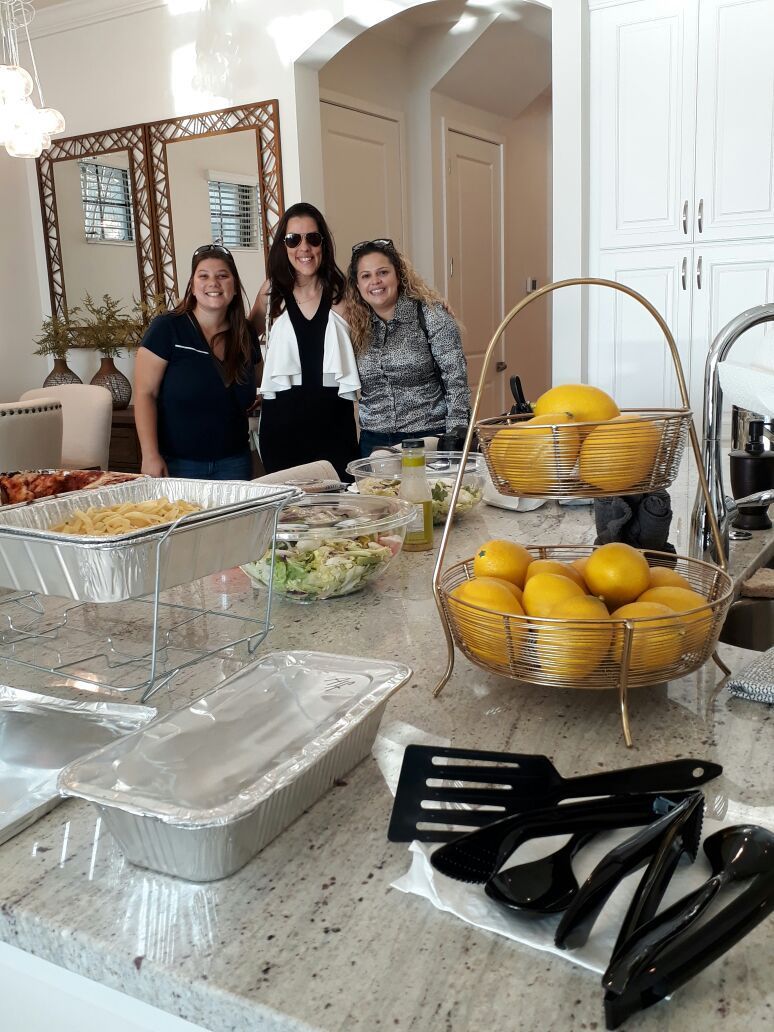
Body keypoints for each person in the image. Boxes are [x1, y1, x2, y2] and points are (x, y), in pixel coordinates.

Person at [250, 202, 359, 480]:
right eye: (293, 239)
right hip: (281, 433)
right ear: (283, 246)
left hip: (335, 432)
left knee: (340, 505)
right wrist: (258, 381)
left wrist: (433, 304)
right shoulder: (271, 293)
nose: (304, 248)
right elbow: (244, 338)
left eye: (312, 238)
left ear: (323, 243)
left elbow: (384, 316)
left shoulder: (344, 294)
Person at [135, 243, 260, 480]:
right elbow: (145, 394)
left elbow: (255, 384)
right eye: (204, 276)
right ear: (192, 286)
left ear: (234, 286)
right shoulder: (167, 328)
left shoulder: (245, 334)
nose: (213, 283)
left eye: (222, 276)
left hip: (235, 462)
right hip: (179, 463)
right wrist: (150, 455)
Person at [344, 239, 470, 457]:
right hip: (373, 441)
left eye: (383, 272)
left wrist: (456, 437)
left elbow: (456, 381)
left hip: (427, 437)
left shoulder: (432, 315)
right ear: (357, 285)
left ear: (398, 275)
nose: (375, 281)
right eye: (366, 276)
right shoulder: (353, 325)